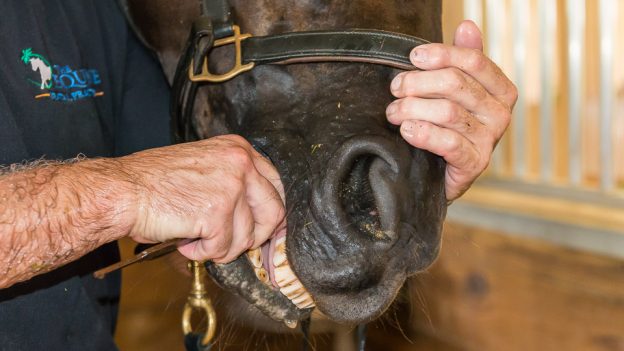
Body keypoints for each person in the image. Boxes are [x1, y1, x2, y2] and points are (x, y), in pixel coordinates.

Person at [0, 1, 516, 349]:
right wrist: (115, 195)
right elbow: (142, 192)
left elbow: (203, 224)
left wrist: (404, 182)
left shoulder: (91, 15)